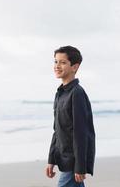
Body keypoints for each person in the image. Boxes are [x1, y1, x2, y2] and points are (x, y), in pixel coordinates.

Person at [46, 46, 95, 187]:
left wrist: (80, 166)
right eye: (55, 62)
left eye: (62, 62)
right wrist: (51, 159)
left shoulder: (77, 94)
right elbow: (57, 129)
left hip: (73, 162)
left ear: (74, 67)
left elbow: (81, 133)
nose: (57, 66)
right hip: (63, 158)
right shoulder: (60, 93)